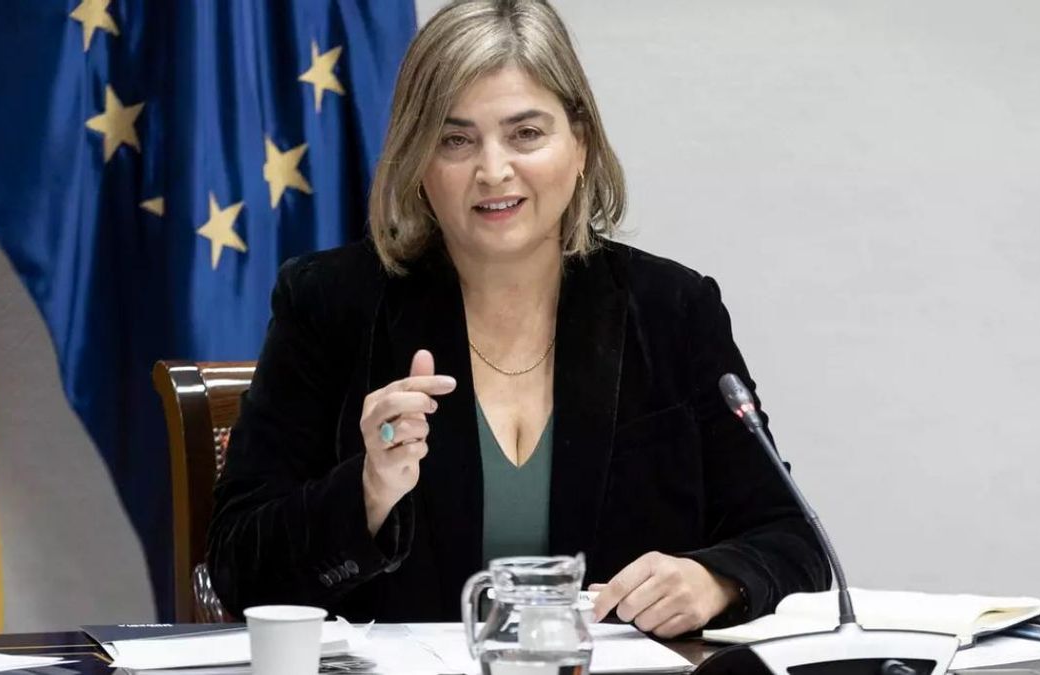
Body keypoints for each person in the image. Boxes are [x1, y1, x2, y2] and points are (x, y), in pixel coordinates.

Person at [207, 0, 829, 637]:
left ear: (581, 144)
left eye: (526, 134)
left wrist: (715, 580)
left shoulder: (672, 310)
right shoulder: (329, 304)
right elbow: (236, 568)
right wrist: (368, 490)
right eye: (455, 140)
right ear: (417, 160)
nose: (493, 171)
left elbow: (791, 539)